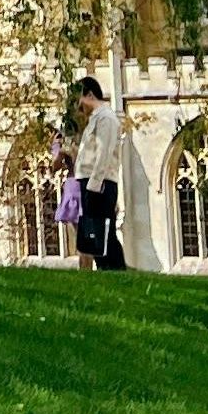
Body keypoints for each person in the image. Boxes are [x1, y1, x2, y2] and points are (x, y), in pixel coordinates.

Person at [67, 77, 128, 271]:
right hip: (92, 182)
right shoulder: (96, 118)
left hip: (100, 183)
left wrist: (94, 185)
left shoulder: (106, 118)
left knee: (104, 233)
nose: (79, 109)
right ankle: (106, 270)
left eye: (79, 101)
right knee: (95, 234)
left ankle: (116, 271)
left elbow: (104, 153)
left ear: (90, 94)